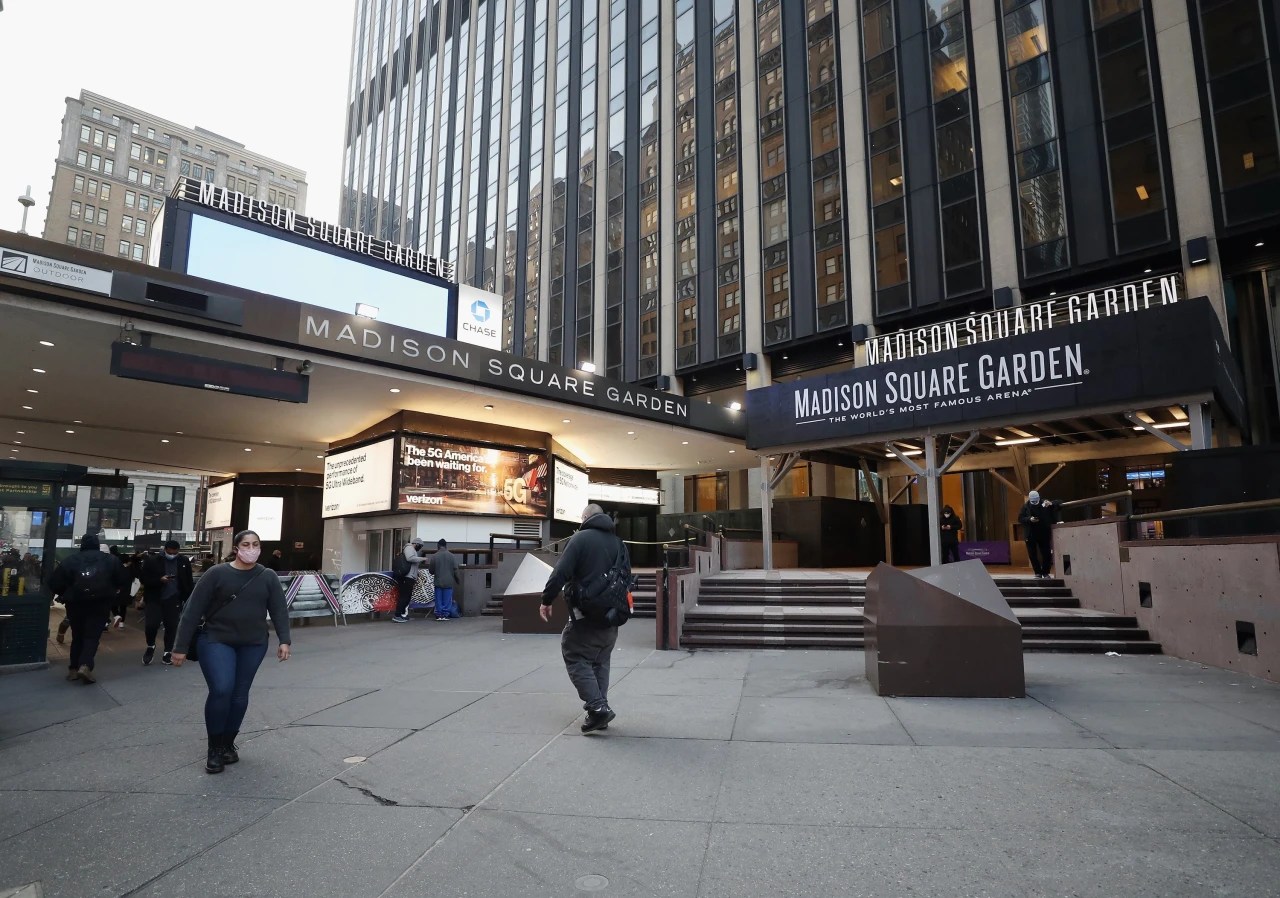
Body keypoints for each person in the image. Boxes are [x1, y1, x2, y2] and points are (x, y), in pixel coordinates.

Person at [172, 529, 291, 775]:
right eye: (246, 544)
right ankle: (214, 748)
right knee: (222, 689)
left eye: (256, 544)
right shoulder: (216, 573)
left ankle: (228, 742)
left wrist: (284, 640)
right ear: (236, 548)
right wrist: (180, 647)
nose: (251, 548)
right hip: (216, 640)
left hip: (254, 643)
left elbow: (279, 609)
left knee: (239, 694)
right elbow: (192, 611)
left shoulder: (267, 576)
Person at [539, 504, 629, 733]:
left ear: (586, 517)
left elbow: (560, 572)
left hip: (586, 614)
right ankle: (601, 710)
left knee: (575, 655)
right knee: (600, 661)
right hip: (612, 616)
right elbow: (626, 578)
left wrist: (547, 600)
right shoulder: (619, 543)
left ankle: (598, 709)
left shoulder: (580, 539)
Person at [48, 533, 128, 684]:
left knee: (78, 635)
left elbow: (55, 582)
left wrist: (66, 593)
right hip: (100, 602)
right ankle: (85, 665)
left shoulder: (70, 560)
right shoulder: (110, 560)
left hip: (76, 603)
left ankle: (73, 668)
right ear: (97, 544)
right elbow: (123, 579)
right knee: (92, 636)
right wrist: (113, 592)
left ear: (82, 545)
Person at [139, 540, 195, 665]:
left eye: (175, 553)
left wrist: (189, 598)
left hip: (174, 598)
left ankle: (168, 651)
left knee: (172, 625)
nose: (172, 554)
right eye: (170, 552)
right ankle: (150, 646)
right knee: (151, 625)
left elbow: (188, 580)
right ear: (165, 549)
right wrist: (159, 580)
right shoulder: (152, 560)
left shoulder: (183, 561)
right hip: (155, 598)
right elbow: (144, 578)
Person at [1018, 490, 1058, 579]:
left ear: (1039, 498)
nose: (1035, 503)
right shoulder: (1025, 507)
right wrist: (1029, 519)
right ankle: (1037, 573)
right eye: (1033, 501)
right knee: (1032, 554)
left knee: (1046, 553)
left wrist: (1051, 503)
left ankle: (1046, 572)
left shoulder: (1045, 503)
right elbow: (1020, 518)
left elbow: (1059, 503)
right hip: (1030, 534)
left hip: (1044, 532)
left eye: (1036, 501)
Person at [391, 537, 429, 623]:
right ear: (416, 544)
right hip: (407, 577)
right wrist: (422, 559)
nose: (420, 548)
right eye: (420, 546)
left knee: (406, 597)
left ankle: (402, 614)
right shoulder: (409, 548)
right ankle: (397, 615)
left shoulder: (411, 549)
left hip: (410, 577)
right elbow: (410, 558)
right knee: (404, 596)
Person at [429, 539, 461, 620]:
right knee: (447, 599)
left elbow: (431, 571)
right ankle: (445, 614)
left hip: (438, 581)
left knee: (438, 599)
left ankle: (439, 614)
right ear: (446, 546)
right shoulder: (452, 556)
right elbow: (455, 570)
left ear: (438, 546)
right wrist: (458, 580)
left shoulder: (434, 556)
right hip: (449, 581)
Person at [107, 545, 133, 629]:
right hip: (126, 590)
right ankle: (122, 623)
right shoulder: (130, 570)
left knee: (113, 604)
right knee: (123, 606)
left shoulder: (116, 568)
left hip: (116, 590)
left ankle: (116, 615)